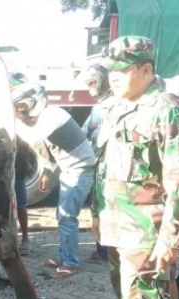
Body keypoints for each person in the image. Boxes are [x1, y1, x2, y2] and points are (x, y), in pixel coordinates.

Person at [95, 36, 179, 299]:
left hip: (145, 232)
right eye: (109, 71)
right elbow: (104, 165)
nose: (112, 77)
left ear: (146, 69)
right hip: (116, 225)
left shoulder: (168, 111)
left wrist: (172, 237)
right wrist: (97, 213)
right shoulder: (115, 106)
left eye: (120, 71)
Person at [12, 82, 95, 278]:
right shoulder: (47, 116)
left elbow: (33, 137)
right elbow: (49, 150)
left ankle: (71, 263)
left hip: (79, 170)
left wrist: (12, 119)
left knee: (67, 218)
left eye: (23, 107)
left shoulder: (53, 115)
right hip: (71, 169)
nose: (23, 112)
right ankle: (64, 256)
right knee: (63, 217)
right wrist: (49, 173)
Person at [79, 64, 112, 265]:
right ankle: (102, 250)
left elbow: (95, 133)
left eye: (92, 82)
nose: (90, 88)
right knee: (98, 209)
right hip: (99, 166)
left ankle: (107, 252)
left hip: (109, 168)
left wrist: (94, 129)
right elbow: (85, 131)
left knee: (105, 209)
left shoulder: (111, 105)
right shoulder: (99, 106)